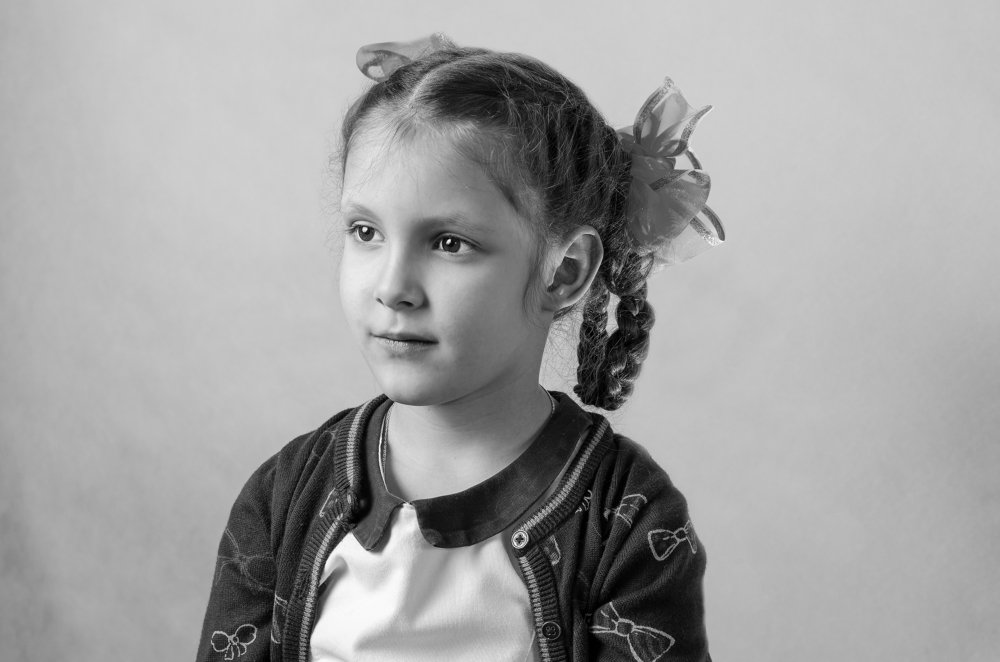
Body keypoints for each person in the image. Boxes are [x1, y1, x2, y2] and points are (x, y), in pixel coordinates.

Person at [197, 33, 724, 662]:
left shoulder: (627, 521)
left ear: (564, 271)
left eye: (449, 243)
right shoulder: (284, 498)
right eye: (365, 231)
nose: (392, 287)